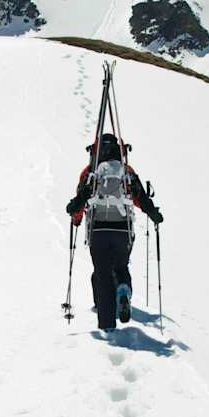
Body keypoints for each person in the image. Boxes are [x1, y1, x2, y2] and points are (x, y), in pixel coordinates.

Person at [65, 133, 163, 331]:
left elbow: (80, 200)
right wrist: (154, 214)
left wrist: (76, 220)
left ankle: (108, 327)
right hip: (122, 230)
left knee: (102, 275)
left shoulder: (90, 172)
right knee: (120, 266)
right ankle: (123, 290)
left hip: (98, 230)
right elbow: (139, 198)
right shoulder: (126, 171)